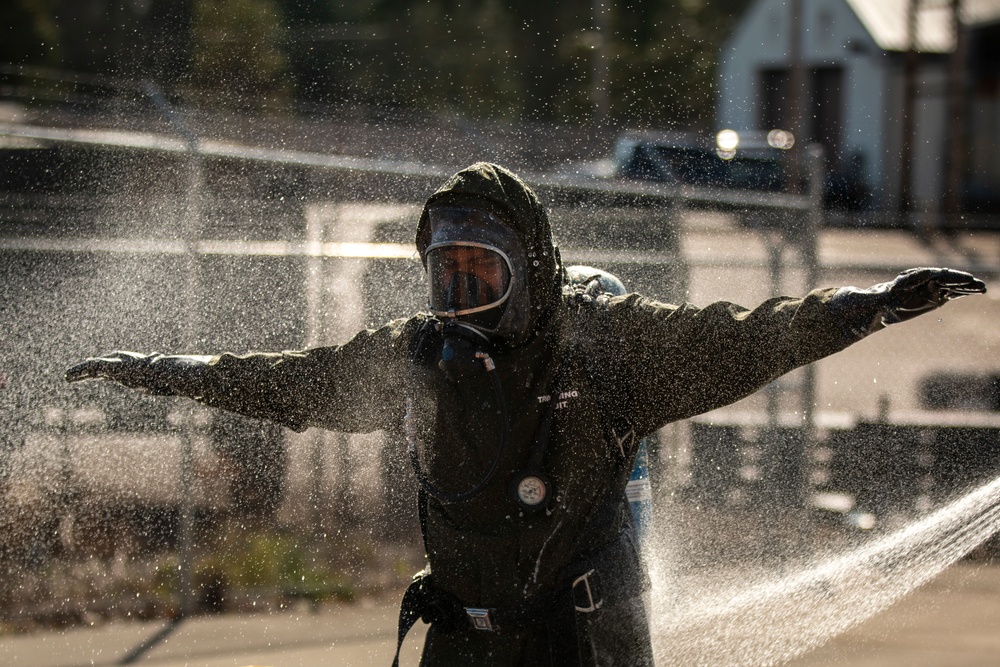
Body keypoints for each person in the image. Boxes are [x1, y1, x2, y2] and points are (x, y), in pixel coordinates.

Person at [66, 162, 987, 666]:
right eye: (446, 278)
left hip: (586, 646)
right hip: (465, 644)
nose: (461, 303)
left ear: (534, 271)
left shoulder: (610, 347)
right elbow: (289, 382)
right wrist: (165, 371)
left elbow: (743, 336)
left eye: (483, 276)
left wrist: (867, 305)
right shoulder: (412, 360)